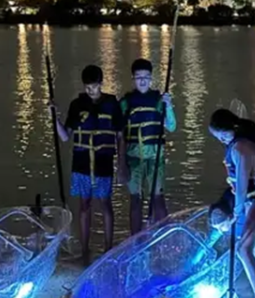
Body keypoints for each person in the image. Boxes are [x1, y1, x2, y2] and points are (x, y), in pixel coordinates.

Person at [208, 108, 255, 298]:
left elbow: (240, 187)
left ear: (228, 130)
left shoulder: (240, 149)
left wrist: (236, 213)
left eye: (221, 136)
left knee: (243, 249)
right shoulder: (244, 136)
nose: (221, 141)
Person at [53, 65, 125, 264]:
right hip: (82, 162)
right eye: (88, 87)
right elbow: (66, 136)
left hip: (103, 161)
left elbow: (119, 135)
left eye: (94, 86)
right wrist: (55, 119)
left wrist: (121, 162)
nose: (91, 90)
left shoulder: (111, 103)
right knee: (84, 205)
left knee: (106, 204)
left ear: (101, 84)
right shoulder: (77, 104)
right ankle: (85, 250)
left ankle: (108, 248)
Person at [120, 58, 176, 235]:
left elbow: (172, 126)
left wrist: (169, 106)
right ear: (133, 79)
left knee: (158, 199)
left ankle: (164, 237)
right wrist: (120, 163)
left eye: (146, 77)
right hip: (133, 158)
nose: (142, 80)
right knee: (135, 200)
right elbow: (119, 133)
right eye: (138, 77)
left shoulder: (159, 100)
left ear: (151, 78)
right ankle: (135, 239)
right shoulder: (126, 102)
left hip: (155, 158)